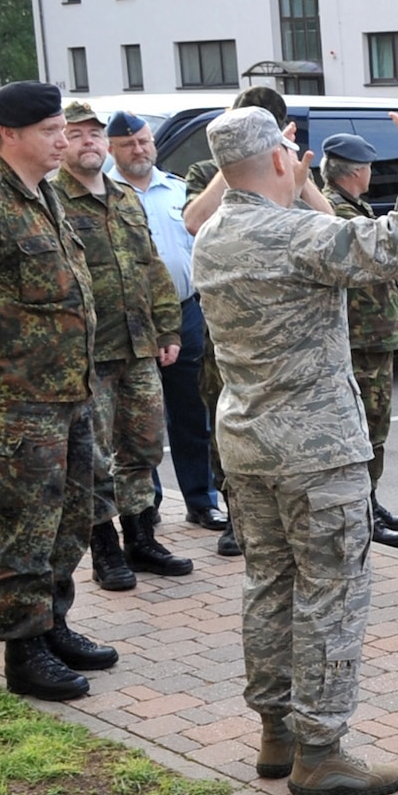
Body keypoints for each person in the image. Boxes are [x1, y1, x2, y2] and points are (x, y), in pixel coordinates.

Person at [193, 80, 398, 795]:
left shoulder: (213, 235)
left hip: (249, 442)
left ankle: (276, 733)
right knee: (330, 595)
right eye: (290, 150)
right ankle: (321, 750)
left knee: (269, 586)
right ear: (282, 159)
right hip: (315, 451)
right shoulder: (294, 236)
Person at [0, 80, 118, 701]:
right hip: (13, 400)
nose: (64, 139)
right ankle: (23, 650)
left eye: (64, 128)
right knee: (23, 526)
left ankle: (54, 623)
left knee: (68, 519)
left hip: (67, 393)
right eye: (51, 131)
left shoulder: (41, 196)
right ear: (10, 135)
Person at [52, 101, 192, 589]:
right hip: (88, 355)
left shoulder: (124, 197)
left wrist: (167, 329)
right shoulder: (51, 199)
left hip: (138, 349)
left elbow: (151, 266)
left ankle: (140, 537)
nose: (88, 141)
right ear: (60, 142)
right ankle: (104, 548)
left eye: (94, 133)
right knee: (94, 456)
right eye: (77, 134)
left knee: (144, 446)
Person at [186, 86, 330, 559]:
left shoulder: (289, 170)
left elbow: (330, 225)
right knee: (229, 421)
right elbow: (194, 220)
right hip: (234, 333)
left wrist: (292, 173)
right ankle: (235, 514)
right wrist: (239, 168)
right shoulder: (207, 173)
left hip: (289, 343)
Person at [107, 110, 226, 535]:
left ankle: (201, 500)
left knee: (193, 412)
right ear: (111, 149)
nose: (137, 150)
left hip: (187, 309)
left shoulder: (178, 190)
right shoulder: (105, 195)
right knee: (138, 420)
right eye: (127, 144)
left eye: (143, 141)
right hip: (130, 320)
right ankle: (148, 502)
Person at [319, 132, 398, 548]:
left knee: (373, 430)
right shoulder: (337, 212)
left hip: (371, 339)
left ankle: (370, 501)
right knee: (365, 432)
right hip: (358, 341)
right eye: (369, 166)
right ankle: (363, 512)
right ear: (357, 171)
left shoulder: (350, 206)